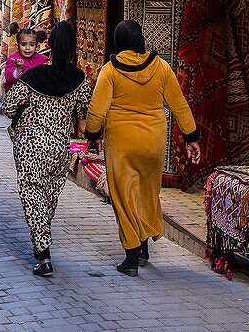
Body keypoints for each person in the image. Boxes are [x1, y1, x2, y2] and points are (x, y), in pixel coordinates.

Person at [84, 20, 200, 277]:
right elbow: (179, 104)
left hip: (121, 143)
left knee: (123, 197)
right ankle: (145, 247)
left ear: (119, 43)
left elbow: (97, 110)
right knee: (147, 193)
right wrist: (191, 137)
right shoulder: (161, 67)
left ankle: (131, 257)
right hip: (153, 142)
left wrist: (91, 135)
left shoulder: (110, 71)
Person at [1, 21, 88, 277]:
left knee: (32, 194)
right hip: (60, 147)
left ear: (47, 45)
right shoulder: (79, 79)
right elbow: (85, 112)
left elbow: (7, 107)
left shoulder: (34, 75)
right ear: (73, 47)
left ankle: (44, 253)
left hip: (30, 146)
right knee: (49, 195)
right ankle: (42, 240)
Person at [2, 24, 48, 92]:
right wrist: (18, 69)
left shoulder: (42, 59)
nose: (27, 48)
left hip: (36, 93)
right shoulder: (13, 58)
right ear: (17, 46)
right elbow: (9, 78)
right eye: (23, 45)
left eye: (31, 45)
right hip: (16, 93)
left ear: (37, 47)